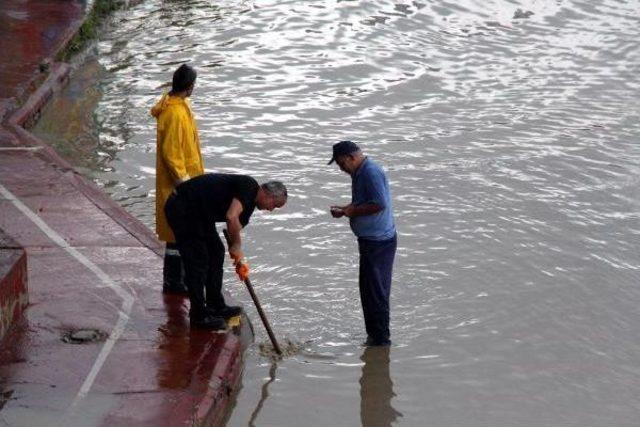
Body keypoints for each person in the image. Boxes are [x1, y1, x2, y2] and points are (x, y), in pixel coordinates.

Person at [165, 173, 287, 329]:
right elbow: (231, 216)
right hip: (182, 207)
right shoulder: (249, 187)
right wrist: (236, 245)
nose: (271, 210)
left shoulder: (249, 206)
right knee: (198, 260)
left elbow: (234, 229)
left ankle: (216, 304)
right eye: (274, 205)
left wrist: (238, 259)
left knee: (216, 251)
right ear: (267, 194)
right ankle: (198, 316)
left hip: (201, 215)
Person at [329, 140, 397, 346]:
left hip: (379, 243)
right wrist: (346, 208)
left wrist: (351, 211)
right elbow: (364, 201)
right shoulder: (360, 172)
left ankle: (380, 341)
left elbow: (378, 203)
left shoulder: (370, 172)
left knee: (375, 292)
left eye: (342, 164)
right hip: (370, 241)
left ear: (352, 157)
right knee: (368, 290)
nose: (341, 169)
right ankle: (375, 337)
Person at [151, 64, 205, 295]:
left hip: (187, 181)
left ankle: (177, 278)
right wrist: (184, 184)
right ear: (190, 86)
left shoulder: (180, 107)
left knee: (180, 234)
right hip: (180, 185)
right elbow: (172, 154)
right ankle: (174, 281)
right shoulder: (174, 113)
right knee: (178, 235)